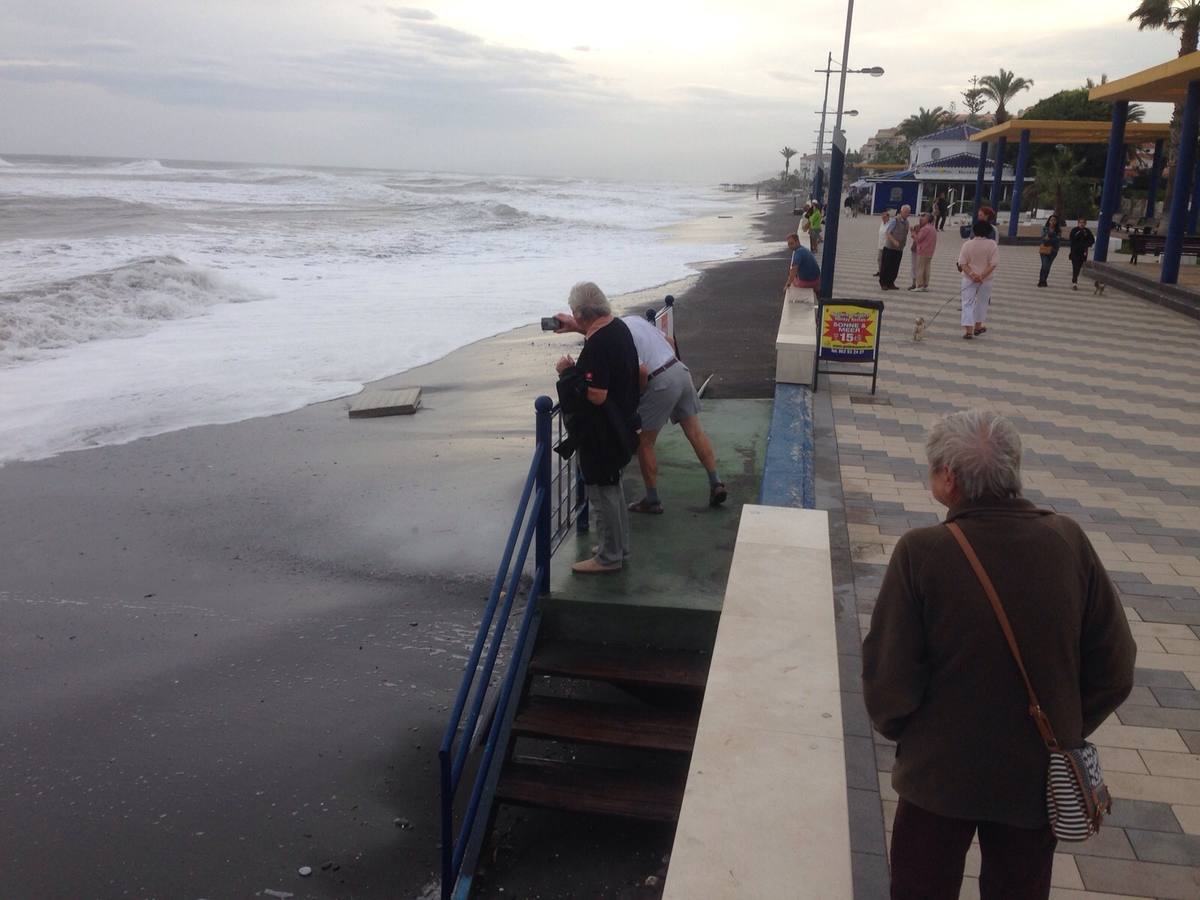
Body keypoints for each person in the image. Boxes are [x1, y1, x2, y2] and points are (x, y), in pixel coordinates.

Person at [863, 409, 1135, 900]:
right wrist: (1063, 725)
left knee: (920, 887)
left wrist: (914, 733)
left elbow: (888, 680)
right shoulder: (1067, 540)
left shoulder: (922, 552)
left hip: (937, 777)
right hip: (1035, 778)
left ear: (948, 478)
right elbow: (1115, 668)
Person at [553, 311, 728, 515]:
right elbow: (670, 341)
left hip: (660, 381)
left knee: (644, 442)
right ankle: (716, 482)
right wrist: (574, 325)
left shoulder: (620, 336)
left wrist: (636, 398)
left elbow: (642, 372)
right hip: (679, 370)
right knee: (695, 431)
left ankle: (652, 500)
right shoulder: (634, 321)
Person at [553, 282, 641, 574]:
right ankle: (618, 545)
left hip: (602, 434)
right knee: (613, 488)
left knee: (602, 493)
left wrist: (568, 373)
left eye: (574, 314)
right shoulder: (618, 328)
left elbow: (596, 393)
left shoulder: (598, 345)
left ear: (580, 313)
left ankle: (608, 557)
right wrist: (576, 326)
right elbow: (598, 336)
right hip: (622, 426)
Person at [957, 219, 998, 339]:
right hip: (986, 279)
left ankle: (968, 330)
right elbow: (993, 264)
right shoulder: (992, 245)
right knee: (982, 302)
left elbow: (962, 263)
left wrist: (972, 274)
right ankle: (978, 326)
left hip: (968, 279)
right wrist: (981, 276)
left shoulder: (967, 244)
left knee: (967, 303)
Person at [879, 204, 910, 291]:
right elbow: (887, 233)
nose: (907, 214)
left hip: (899, 248)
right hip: (890, 248)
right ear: (901, 211)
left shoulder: (907, 222)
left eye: (908, 212)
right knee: (886, 266)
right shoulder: (895, 220)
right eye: (905, 212)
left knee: (895, 267)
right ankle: (883, 283)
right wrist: (894, 241)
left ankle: (891, 282)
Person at [786, 232, 821, 301]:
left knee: (792, 278)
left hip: (808, 282)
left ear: (797, 242)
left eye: (792, 243)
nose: (790, 246)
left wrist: (788, 284)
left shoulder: (798, 253)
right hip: (817, 280)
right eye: (788, 244)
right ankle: (819, 295)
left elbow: (793, 271)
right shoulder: (804, 249)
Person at [911, 213, 937, 292]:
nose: (921, 219)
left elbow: (918, 239)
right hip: (930, 251)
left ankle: (919, 285)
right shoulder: (933, 228)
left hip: (923, 250)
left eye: (924, 217)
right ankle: (925, 284)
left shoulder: (925, 228)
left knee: (920, 268)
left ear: (928, 219)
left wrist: (913, 233)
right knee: (927, 268)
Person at [1068, 217, 1095, 291]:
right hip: (1075, 252)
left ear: (1085, 223)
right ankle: (1074, 282)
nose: (1082, 224)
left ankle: (1075, 279)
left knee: (1079, 267)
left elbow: (1092, 240)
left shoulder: (1087, 231)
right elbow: (1072, 239)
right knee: (1075, 267)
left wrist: (1087, 245)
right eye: (1080, 222)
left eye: (1083, 222)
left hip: (1083, 253)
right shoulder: (1075, 230)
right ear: (1078, 223)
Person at [1037, 215, 1062, 287]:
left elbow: (1057, 240)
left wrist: (1050, 238)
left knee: (1048, 266)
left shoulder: (1058, 230)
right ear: (1049, 221)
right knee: (1044, 265)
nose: (1053, 221)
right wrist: (1052, 237)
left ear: (1057, 222)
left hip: (1053, 251)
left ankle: (1044, 281)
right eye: (1051, 220)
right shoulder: (1045, 229)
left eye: (1054, 220)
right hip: (1044, 250)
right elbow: (1044, 239)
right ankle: (1041, 281)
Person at [874, 210, 891, 277]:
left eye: (885, 217)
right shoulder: (882, 223)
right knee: (879, 259)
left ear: (888, 217)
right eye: (882, 217)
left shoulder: (890, 224)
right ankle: (880, 271)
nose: (883, 218)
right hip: (880, 244)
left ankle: (884, 273)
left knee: (885, 260)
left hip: (886, 245)